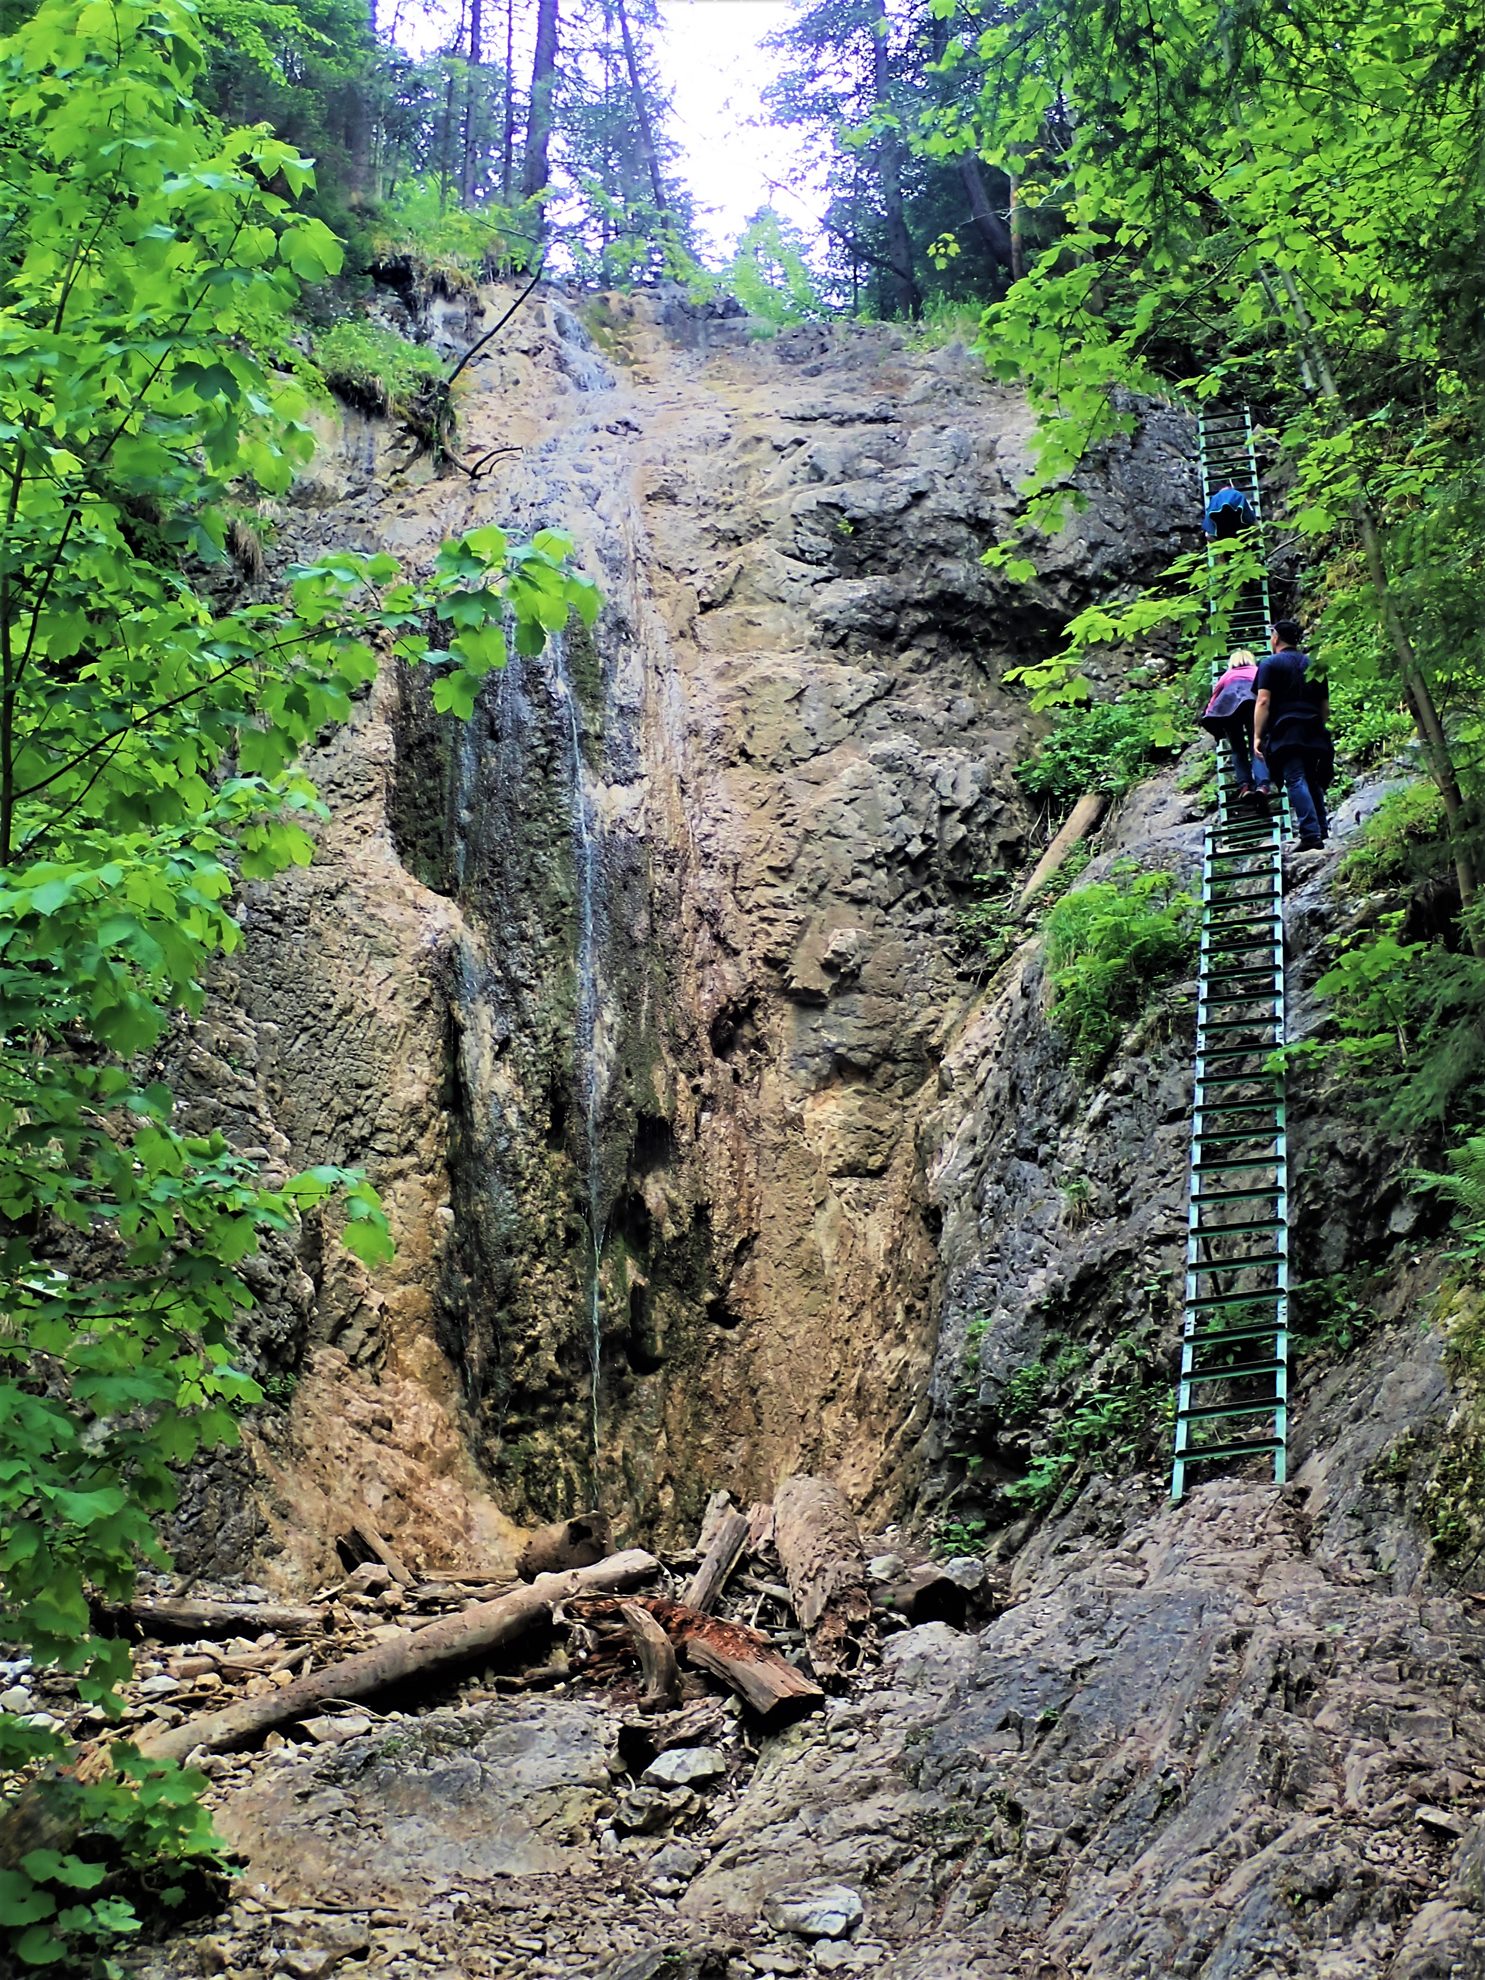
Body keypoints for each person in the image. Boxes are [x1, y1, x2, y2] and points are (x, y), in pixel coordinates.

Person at [1253, 619, 1332, 850]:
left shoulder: (1270, 664)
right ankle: (1321, 829)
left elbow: (1263, 700)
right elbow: (1324, 706)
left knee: (1295, 778)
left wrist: (1258, 735)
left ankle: (1310, 834)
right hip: (1314, 727)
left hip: (1286, 729)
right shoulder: (1313, 664)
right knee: (1312, 778)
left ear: (1276, 638)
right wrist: (1317, 725)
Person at [1200, 649, 1270, 805]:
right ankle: (1262, 786)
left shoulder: (1226, 676)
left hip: (1230, 711)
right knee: (1256, 745)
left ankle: (1245, 787)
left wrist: (1212, 720)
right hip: (1253, 707)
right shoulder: (1257, 671)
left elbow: (1214, 700)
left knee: (1238, 749)